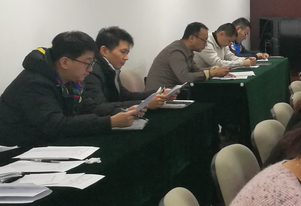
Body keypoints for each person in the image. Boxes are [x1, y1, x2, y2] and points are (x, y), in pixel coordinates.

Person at [0, 31, 137, 146]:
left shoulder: (70, 80)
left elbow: (88, 107)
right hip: (15, 149)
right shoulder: (34, 83)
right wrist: (109, 122)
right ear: (65, 62)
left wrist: (121, 111)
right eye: (87, 63)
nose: (90, 69)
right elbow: (56, 125)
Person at [81, 26, 168, 116]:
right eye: (123, 52)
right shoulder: (91, 71)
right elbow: (99, 107)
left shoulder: (110, 68)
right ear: (104, 51)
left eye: (127, 53)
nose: (126, 58)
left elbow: (124, 96)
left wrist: (157, 93)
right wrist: (145, 103)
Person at [145, 22, 231, 91]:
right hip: (159, 96)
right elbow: (185, 78)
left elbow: (196, 70)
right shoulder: (176, 52)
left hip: (173, 92)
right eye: (204, 41)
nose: (206, 44)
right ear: (192, 38)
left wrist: (213, 70)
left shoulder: (187, 51)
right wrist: (211, 73)